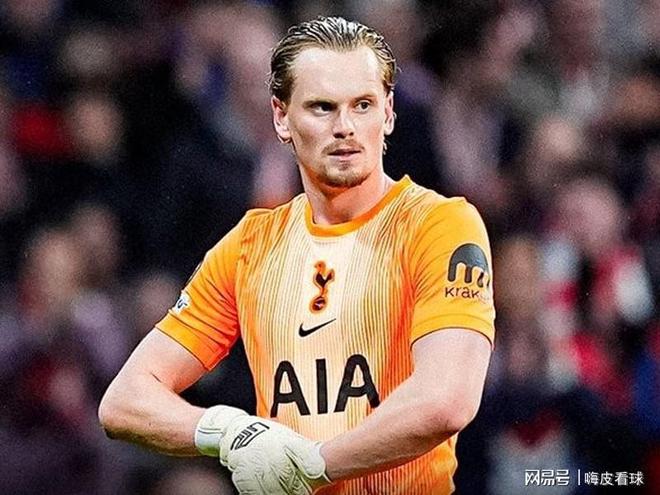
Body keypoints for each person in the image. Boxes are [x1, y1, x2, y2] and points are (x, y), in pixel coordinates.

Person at [99, 16, 495, 495]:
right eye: (322, 108)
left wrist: (313, 465)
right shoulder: (250, 245)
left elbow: (447, 400)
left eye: (363, 105)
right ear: (281, 117)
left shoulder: (439, 225)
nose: (345, 127)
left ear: (389, 113)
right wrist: (229, 433)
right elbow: (124, 401)